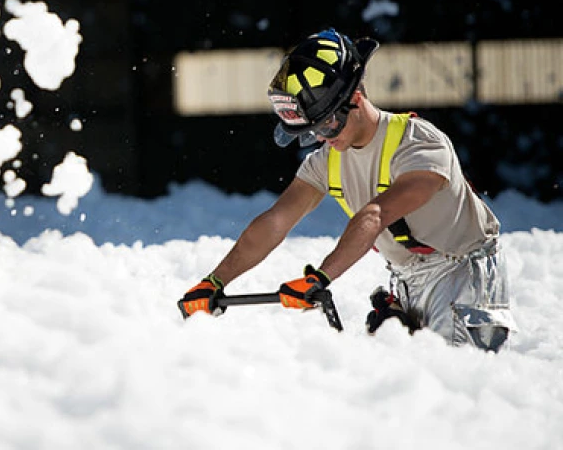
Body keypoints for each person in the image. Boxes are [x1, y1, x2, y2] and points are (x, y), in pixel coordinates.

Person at [177, 28, 514, 352]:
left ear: (355, 98)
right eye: (313, 131)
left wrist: (320, 278)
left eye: (327, 124)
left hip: (463, 275)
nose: (323, 138)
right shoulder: (328, 160)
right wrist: (215, 281)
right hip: (408, 280)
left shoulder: (419, 144)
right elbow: (276, 221)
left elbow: (376, 214)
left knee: (454, 382)